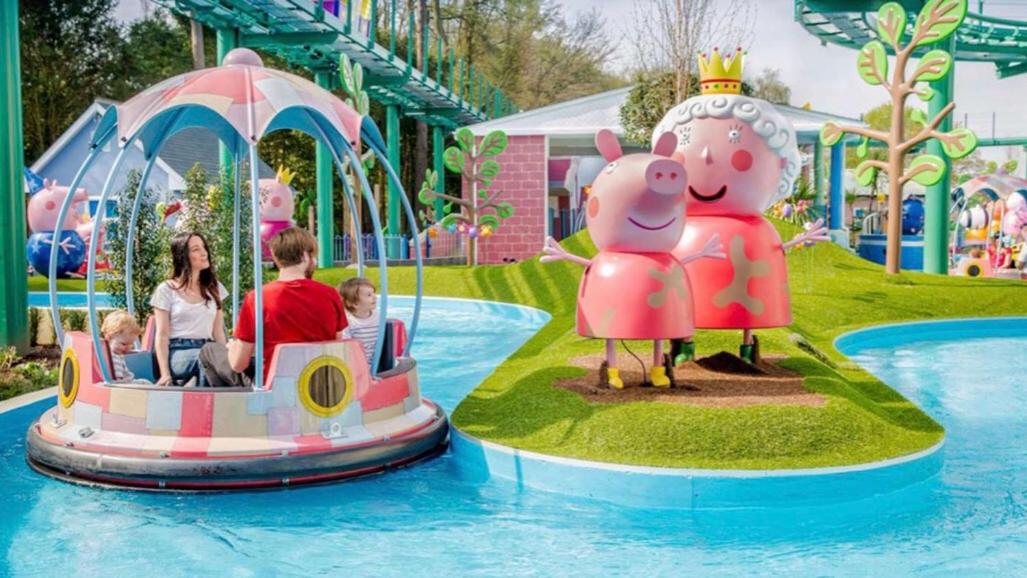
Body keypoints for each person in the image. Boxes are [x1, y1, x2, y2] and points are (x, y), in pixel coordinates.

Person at [200, 227, 347, 387]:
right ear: (305, 256)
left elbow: (238, 364)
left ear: (276, 257)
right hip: (317, 386)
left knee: (209, 350)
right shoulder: (330, 295)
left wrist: (233, 347)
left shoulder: (258, 298)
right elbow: (337, 347)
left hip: (274, 386)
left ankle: (224, 402)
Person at [151, 232, 228, 387]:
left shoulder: (214, 287)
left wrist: (226, 355)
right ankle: (205, 401)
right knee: (206, 359)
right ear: (183, 256)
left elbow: (218, 332)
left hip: (208, 348)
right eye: (196, 249)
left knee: (233, 361)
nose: (204, 253)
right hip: (178, 351)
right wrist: (165, 373)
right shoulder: (166, 289)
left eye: (204, 247)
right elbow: (162, 336)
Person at [339, 277, 380, 369]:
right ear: (355, 303)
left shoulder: (379, 317)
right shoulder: (348, 322)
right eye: (369, 295)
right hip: (357, 365)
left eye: (374, 293)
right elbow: (346, 348)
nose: (374, 297)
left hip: (377, 363)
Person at [101, 310, 144, 383]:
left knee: (144, 381)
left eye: (131, 344)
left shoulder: (117, 354)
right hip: (124, 385)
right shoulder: (113, 358)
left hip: (128, 382)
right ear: (109, 338)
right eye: (124, 344)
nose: (128, 348)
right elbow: (118, 381)